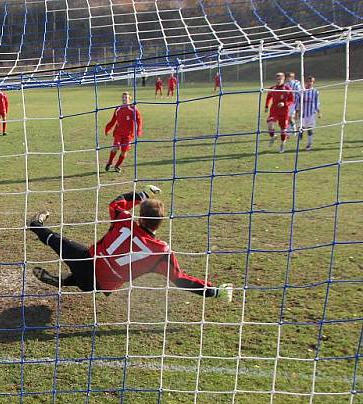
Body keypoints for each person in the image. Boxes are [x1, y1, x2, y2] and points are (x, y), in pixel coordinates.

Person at [27, 186, 232, 301]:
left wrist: (142, 194)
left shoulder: (124, 220)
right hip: (100, 287)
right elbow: (180, 279)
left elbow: (116, 202)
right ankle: (62, 281)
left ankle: (35, 224)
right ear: (160, 224)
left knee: (57, 241)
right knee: (91, 276)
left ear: (140, 218)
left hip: (86, 263)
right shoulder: (161, 252)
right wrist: (212, 290)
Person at [104, 92, 142, 173]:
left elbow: (139, 120)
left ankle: (117, 166)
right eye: (123, 98)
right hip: (118, 133)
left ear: (129, 99)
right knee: (115, 147)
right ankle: (110, 162)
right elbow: (113, 120)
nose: (124, 99)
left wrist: (139, 130)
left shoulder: (133, 109)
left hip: (128, 135)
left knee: (124, 151)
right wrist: (108, 128)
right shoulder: (118, 109)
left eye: (126, 98)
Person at [265, 72, 295, 153]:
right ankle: (273, 136)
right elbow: (268, 97)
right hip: (274, 110)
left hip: (284, 112)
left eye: (280, 79)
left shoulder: (287, 88)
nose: (279, 81)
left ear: (283, 79)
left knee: (283, 130)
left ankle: (282, 144)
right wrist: (267, 106)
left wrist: (284, 103)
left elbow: (291, 100)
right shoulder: (273, 88)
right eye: (277, 79)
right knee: (270, 124)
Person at [295, 75, 320, 151]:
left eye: (311, 82)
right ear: (305, 82)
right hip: (302, 113)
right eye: (308, 81)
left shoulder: (315, 92)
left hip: (311, 113)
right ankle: (300, 135)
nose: (310, 83)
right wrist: (296, 112)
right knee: (300, 128)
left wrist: (319, 112)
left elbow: (317, 102)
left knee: (310, 129)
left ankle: (309, 145)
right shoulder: (301, 91)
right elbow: (297, 102)